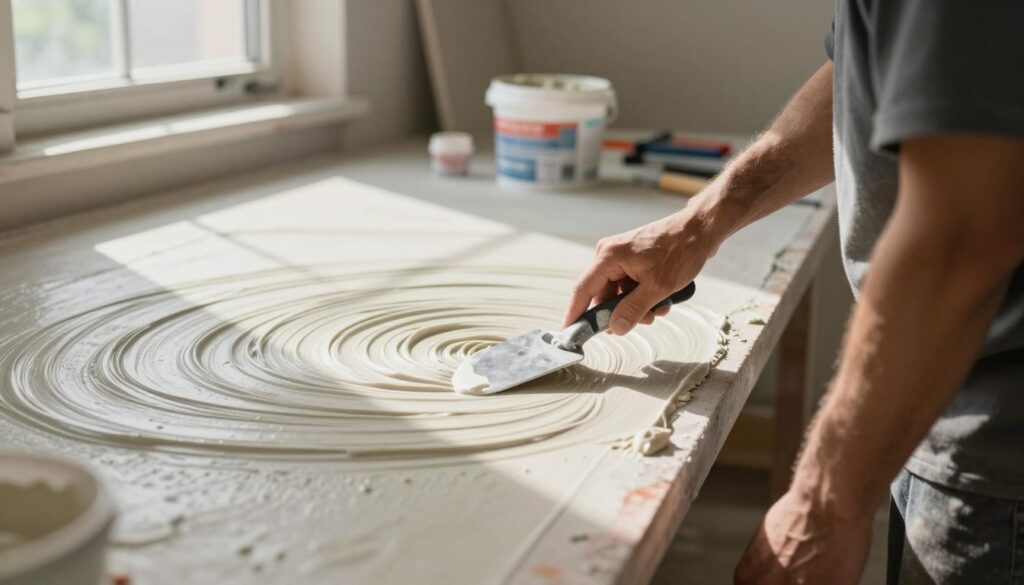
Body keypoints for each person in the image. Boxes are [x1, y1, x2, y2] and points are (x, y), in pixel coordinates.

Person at [562, 2, 1024, 583]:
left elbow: (962, 236)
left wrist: (822, 505)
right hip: (945, 401)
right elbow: (865, 75)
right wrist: (700, 223)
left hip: (1000, 454)